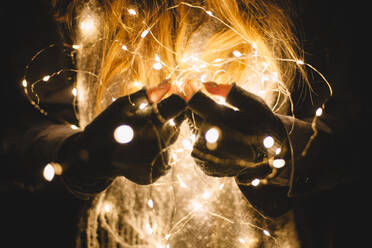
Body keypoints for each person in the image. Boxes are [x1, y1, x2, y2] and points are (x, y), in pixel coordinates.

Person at [1, 0, 363, 247]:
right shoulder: (64, 12)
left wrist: (281, 150)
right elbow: (13, 123)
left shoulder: (316, 12)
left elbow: (357, 131)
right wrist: (77, 156)